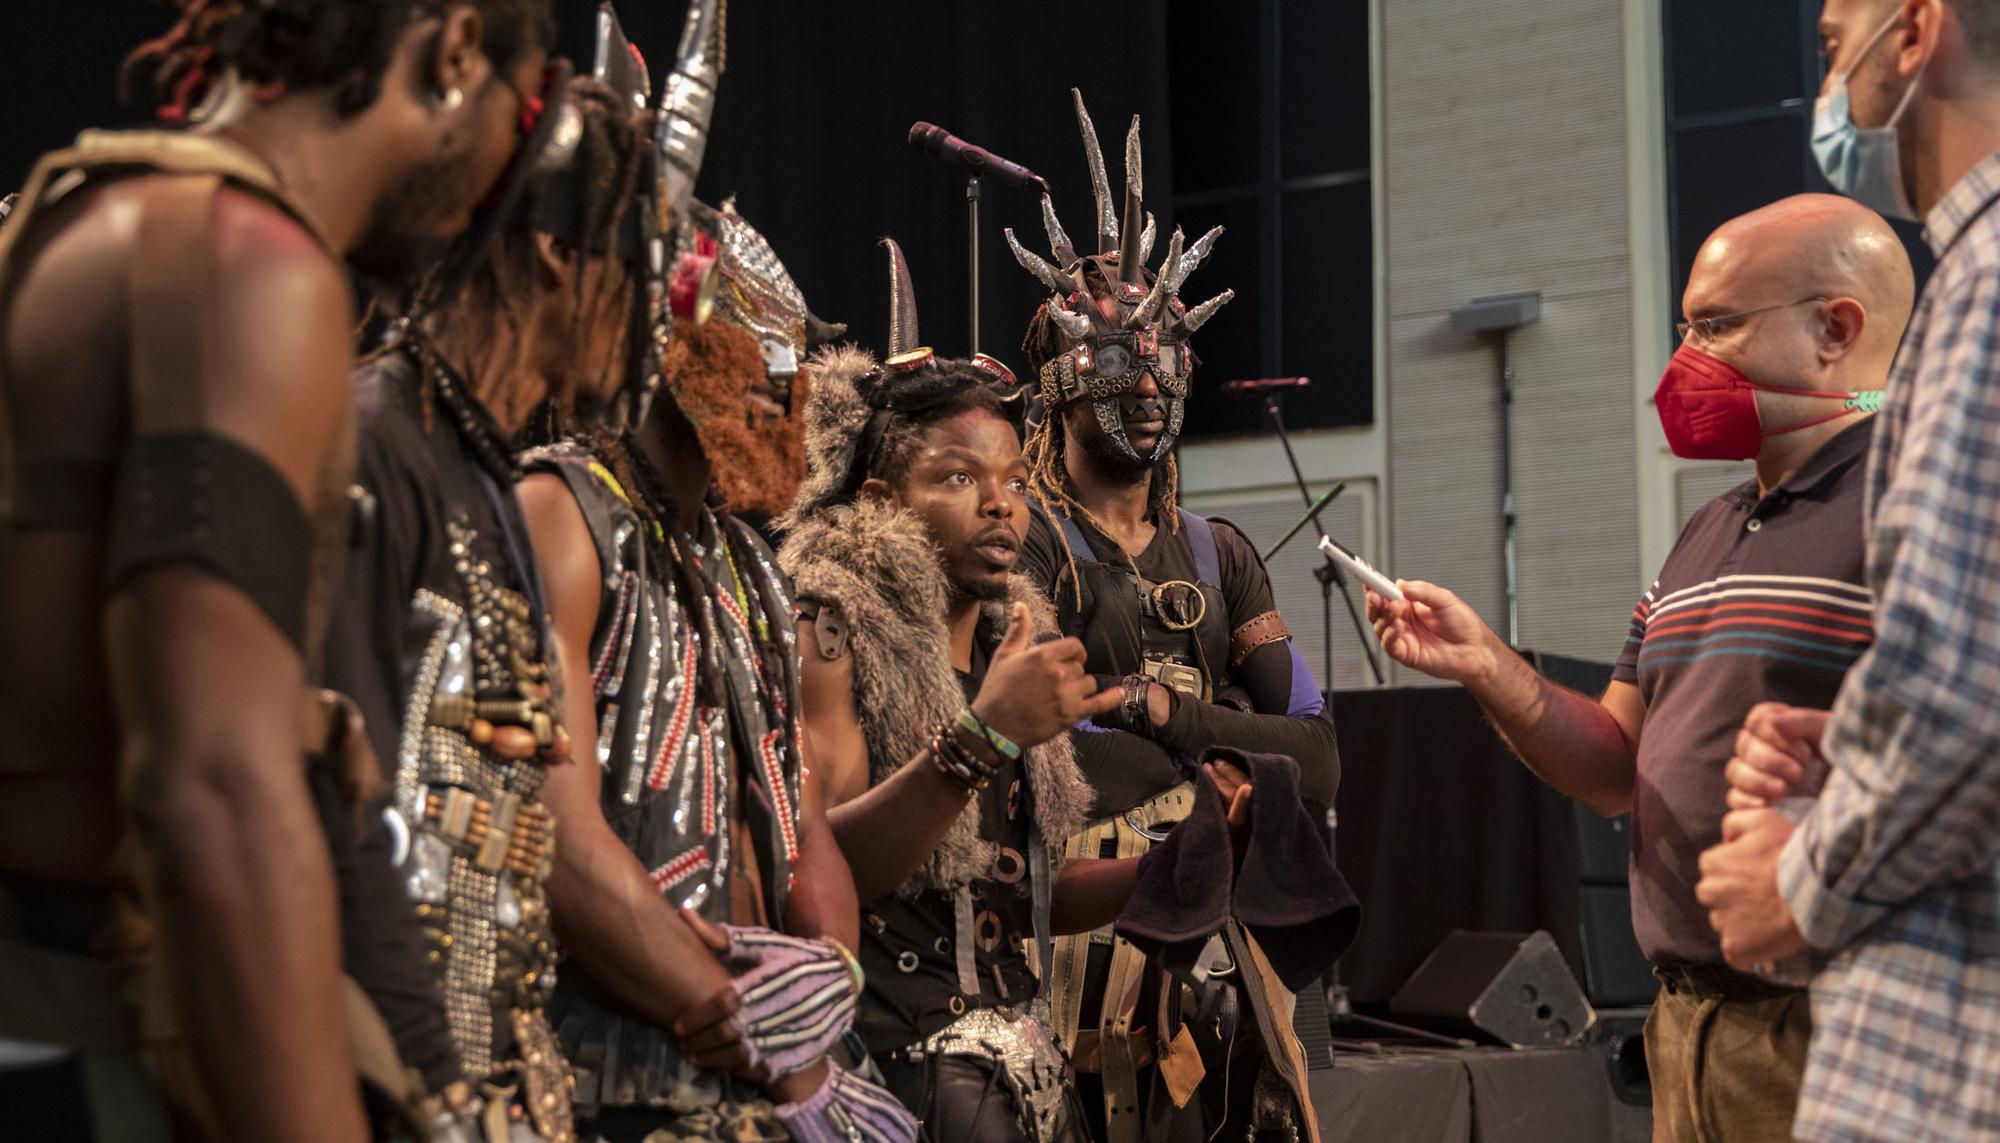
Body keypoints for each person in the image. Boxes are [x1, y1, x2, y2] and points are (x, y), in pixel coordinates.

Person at [0, 0, 550, 1138]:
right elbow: (213, 786)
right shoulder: (246, 265)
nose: (500, 186)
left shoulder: (93, 209)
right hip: (74, 1033)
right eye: (522, 110)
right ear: (454, 51)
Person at [1365, 193, 1912, 1141]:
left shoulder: (1918, 503)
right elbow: (1618, 765)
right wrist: (1487, 663)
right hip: (1687, 1028)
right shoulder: (1709, 527)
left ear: (1837, 328)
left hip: (1842, 1025)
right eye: (1686, 326)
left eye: (1719, 324)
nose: (1685, 360)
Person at [780, 240, 1286, 1143]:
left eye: (1013, 480)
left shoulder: (1018, 641)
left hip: (1023, 1064)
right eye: (957, 477)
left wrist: (1189, 860)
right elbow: (829, 865)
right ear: (879, 496)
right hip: (898, 1070)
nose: (1000, 504)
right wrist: (984, 736)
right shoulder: (830, 630)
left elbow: (1030, 897)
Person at [512, 11, 914, 1141]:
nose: (787, 394)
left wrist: (822, 977)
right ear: (669, 336)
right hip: (621, 1074)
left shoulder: (747, 563)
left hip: (766, 1061)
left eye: (794, 364)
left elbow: (801, 824)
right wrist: (734, 1008)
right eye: (761, 357)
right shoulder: (561, 514)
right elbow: (555, 828)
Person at [1006, 91, 1346, 1143]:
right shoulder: (1021, 542)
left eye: (1165, 356)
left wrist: (1163, 715)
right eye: (1118, 357)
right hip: (1081, 927)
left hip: (1225, 931)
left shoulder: (1220, 553)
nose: (1146, 379)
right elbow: (1043, 763)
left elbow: (1319, 759)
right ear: (1061, 378)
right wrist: (1231, 769)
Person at [1697, 1, 2000, 1139]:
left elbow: (1962, 706)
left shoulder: (1980, 286)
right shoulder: (1713, 522)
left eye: (1831, 43)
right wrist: (1855, 741)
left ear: (1912, 32)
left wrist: (1798, 874)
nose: (1691, 366)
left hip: (1946, 1056)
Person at [321, 60, 626, 1143]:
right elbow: (332, 810)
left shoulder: (490, 475)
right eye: (635, 268)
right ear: (556, 251)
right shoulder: (371, 441)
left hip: (490, 1077)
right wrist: (433, 1092)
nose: (652, 320)